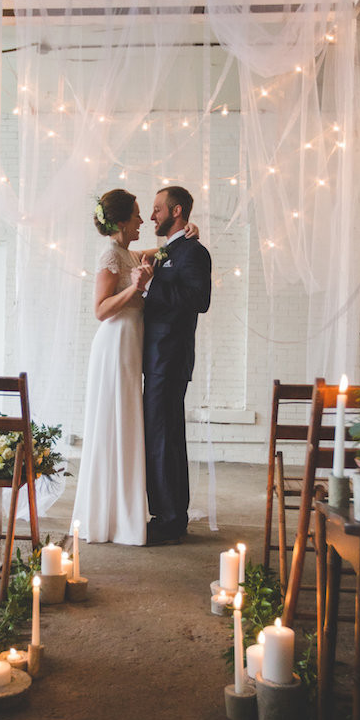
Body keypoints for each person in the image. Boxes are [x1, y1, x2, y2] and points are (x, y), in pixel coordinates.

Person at [70, 189, 198, 545]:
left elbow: (163, 251)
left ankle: (126, 510)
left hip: (132, 346)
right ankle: (109, 515)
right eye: (139, 215)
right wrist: (135, 289)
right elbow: (100, 310)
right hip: (115, 345)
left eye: (150, 212)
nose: (145, 220)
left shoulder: (128, 253)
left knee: (127, 424)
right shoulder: (111, 254)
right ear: (123, 220)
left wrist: (189, 231)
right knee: (115, 421)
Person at [142, 186, 211, 546]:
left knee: (165, 439)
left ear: (176, 211)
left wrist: (154, 285)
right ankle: (165, 513)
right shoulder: (173, 249)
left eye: (157, 209)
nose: (152, 216)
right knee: (158, 437)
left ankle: (171, 520)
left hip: (170, 358)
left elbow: (199, 299)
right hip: (156, 359)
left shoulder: (193, 252)